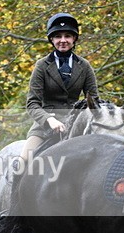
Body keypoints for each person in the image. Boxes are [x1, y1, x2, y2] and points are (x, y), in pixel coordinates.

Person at [20, 13, 99, 165]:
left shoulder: (85, 66)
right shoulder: (42, 66)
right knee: (23, 161)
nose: (63, 40)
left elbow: (94, 102)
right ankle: (14, 189)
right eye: (58, 36)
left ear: (74, 39)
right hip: (45, 128)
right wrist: (49, 119)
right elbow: (32, 104)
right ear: (52, 39)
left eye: (67, 36)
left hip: (76, 127)